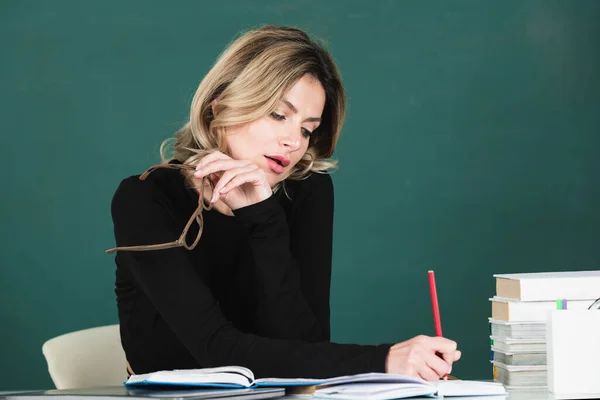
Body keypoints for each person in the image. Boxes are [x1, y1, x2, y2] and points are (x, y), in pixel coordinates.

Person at [107, 24, 461, 381]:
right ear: (221, 105)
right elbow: (215, 350)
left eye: (307, 129)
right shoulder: (145, 198)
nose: (294, 141)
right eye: (278, 115)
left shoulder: (306, 190)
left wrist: (262, 216)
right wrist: (384, 360)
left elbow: (307, 345)